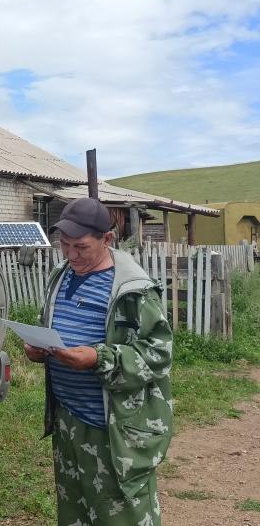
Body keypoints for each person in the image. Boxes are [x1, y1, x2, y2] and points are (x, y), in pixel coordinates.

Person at [24, 197, 173, 526]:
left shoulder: (133, 290)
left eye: (81, 247)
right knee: (75, 511)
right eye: (64, 245)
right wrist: (36, 349)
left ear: (107, 239)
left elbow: (159, 353)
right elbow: (48, 326)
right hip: (68, 421)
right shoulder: (60, 276)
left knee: (121, 514)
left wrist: (99, 358)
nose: (72, 254)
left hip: (113, 429)